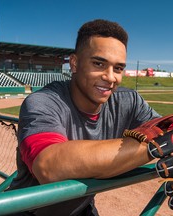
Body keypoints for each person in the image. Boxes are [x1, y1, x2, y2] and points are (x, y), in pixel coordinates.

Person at [8, 19, 161, 216]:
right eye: (99, 63)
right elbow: (49, 167)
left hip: (82, 209)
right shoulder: (43, 102)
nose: (110, 77)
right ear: (74, 63)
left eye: (118, 68)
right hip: (28, 212)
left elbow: (172, 128)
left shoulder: (128, 102)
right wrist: (159, 145)